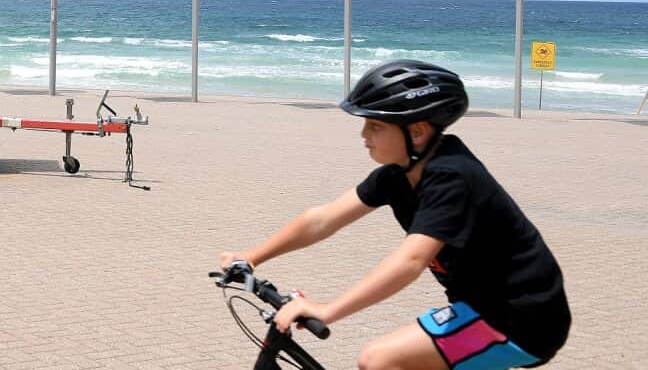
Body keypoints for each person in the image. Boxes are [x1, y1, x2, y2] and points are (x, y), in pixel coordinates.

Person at [219, 60, 570, 370]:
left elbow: (410, 261)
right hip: (479, 308)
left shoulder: (452, 177)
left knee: (379, 360)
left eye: (375, 126)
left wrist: (327, 310)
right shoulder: (397, 175)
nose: (364, 135)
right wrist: (252, 257)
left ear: (416, 131)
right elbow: (322, 219)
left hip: (520, 320)